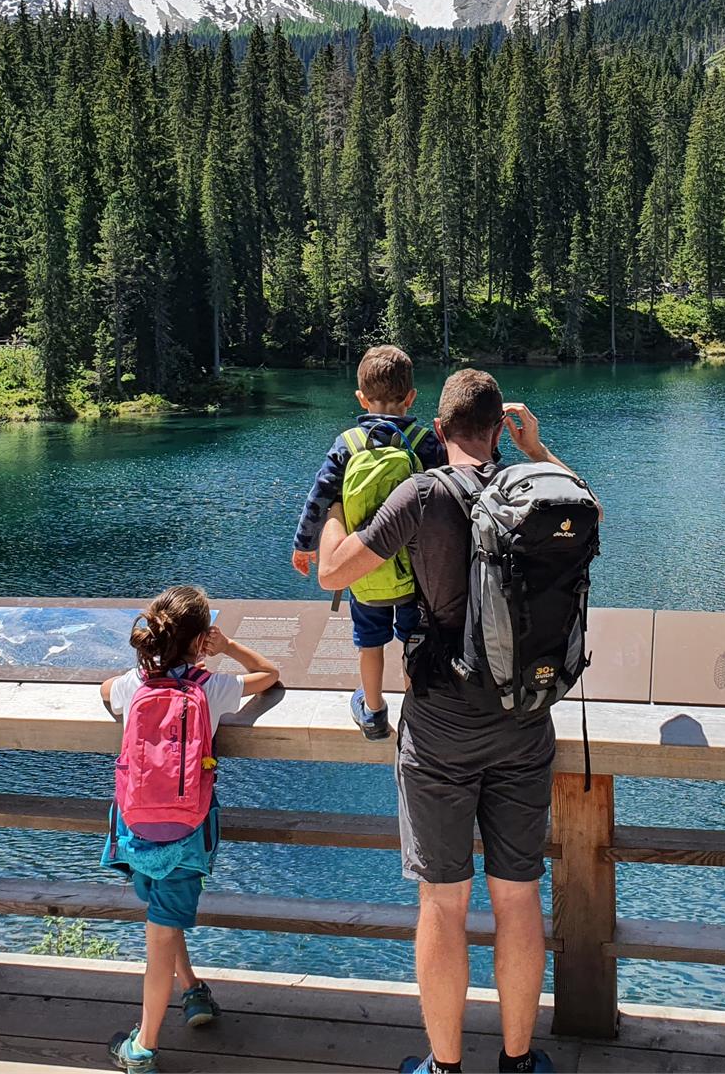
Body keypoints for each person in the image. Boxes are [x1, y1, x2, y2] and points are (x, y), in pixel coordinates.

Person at [317, 370, 569, 1074]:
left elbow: (333, 573)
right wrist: (539, 448)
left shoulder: (422, 494)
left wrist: (336, 505)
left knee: (443, 902)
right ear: (497, 428)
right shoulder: (535, 490)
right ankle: (519, 1062)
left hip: (440, 723)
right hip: (524, 717)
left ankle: (446, 1066)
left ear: (439, 425)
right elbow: (591, 507)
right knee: (518, 898)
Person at [100, 584, 280, 1074]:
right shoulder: (211, 687)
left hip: (134, 831)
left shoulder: (131, 686)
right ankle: (146, 1050)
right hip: (187, 835)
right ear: (201, 640)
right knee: (162, 934)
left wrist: (143, 669)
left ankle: (185, 999)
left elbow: (103, 692)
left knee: (160, 922)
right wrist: (229, 649)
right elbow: (270, 676)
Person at [290, 344, 446, 740]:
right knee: (414, 640)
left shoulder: (347, 444)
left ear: (360, 397)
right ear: (411, 397)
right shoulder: (425, 442)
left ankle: (374, 711)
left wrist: (304, 543)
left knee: (370, 643)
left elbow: (319, 498)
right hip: (416, 574)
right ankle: (420, 709)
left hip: (365, 572)